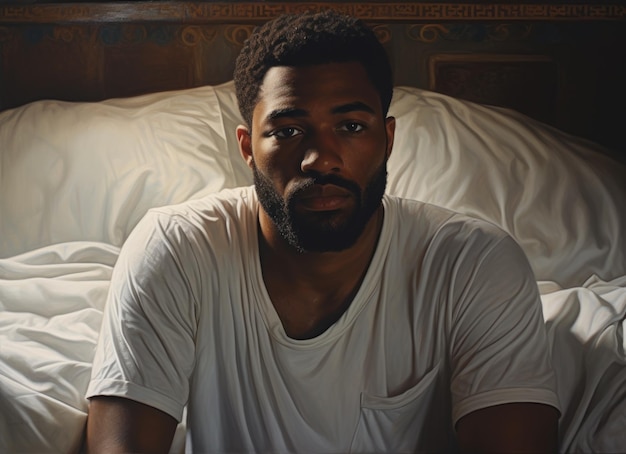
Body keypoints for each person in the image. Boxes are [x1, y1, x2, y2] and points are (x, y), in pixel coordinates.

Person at [85, 10, 560, 453]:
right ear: (248, 148)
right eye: (289, 131)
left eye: (351, 126)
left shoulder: (473, 265)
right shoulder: (175, 250)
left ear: (388, 139)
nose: (320, 158)